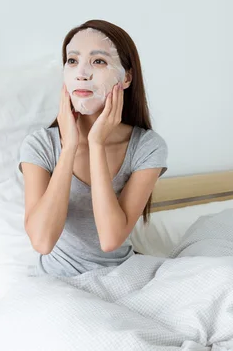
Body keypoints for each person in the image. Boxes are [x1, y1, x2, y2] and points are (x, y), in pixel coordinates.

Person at [18, 19, 168, 277]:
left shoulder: (147, 147)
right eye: (72, 61)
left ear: (127, 77)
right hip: (58, 286)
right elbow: (42, 242)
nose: (82, 73)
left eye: (98, 61)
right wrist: (69, 147)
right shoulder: (40, 146)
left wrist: (96, 144)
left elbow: (110, 240)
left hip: (123, 276)